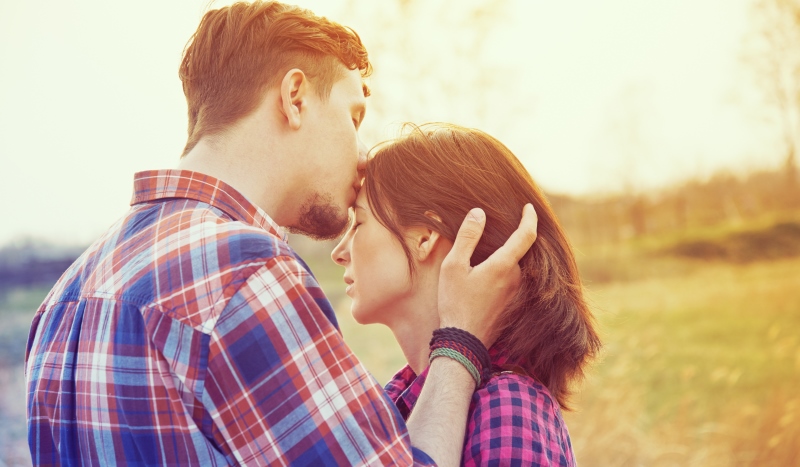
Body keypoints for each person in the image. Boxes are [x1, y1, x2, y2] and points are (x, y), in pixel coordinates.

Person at [24, 3, 538, 466]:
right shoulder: (244, 271)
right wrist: (462, 340)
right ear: (294, 98)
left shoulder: (63, 299)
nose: (362, 155)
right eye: (353, 116)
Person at [332, 123, 602, 466]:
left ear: (425, 237)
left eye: (358, 223)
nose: (338, 252)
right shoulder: (399, 398)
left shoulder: (508, 408)